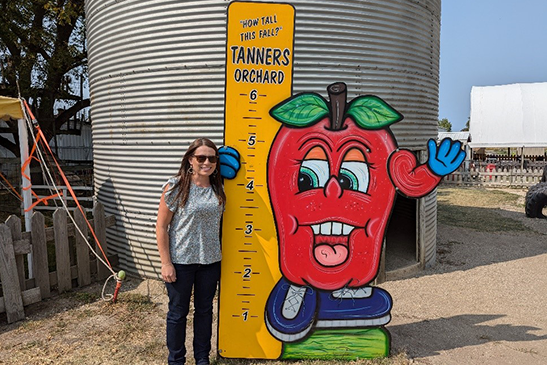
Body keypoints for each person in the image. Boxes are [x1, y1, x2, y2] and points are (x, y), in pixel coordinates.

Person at [156, 138, 226, 365]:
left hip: (210, 261)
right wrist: (166, 263)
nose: (207, 162)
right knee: (178, 313)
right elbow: (162, 226)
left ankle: (202, 358)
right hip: (181, 261)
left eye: (212, 158)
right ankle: (176, 360)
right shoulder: (176, 186)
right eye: (201, 157)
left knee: (205, 312)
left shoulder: (219, 188)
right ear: (190, 159)